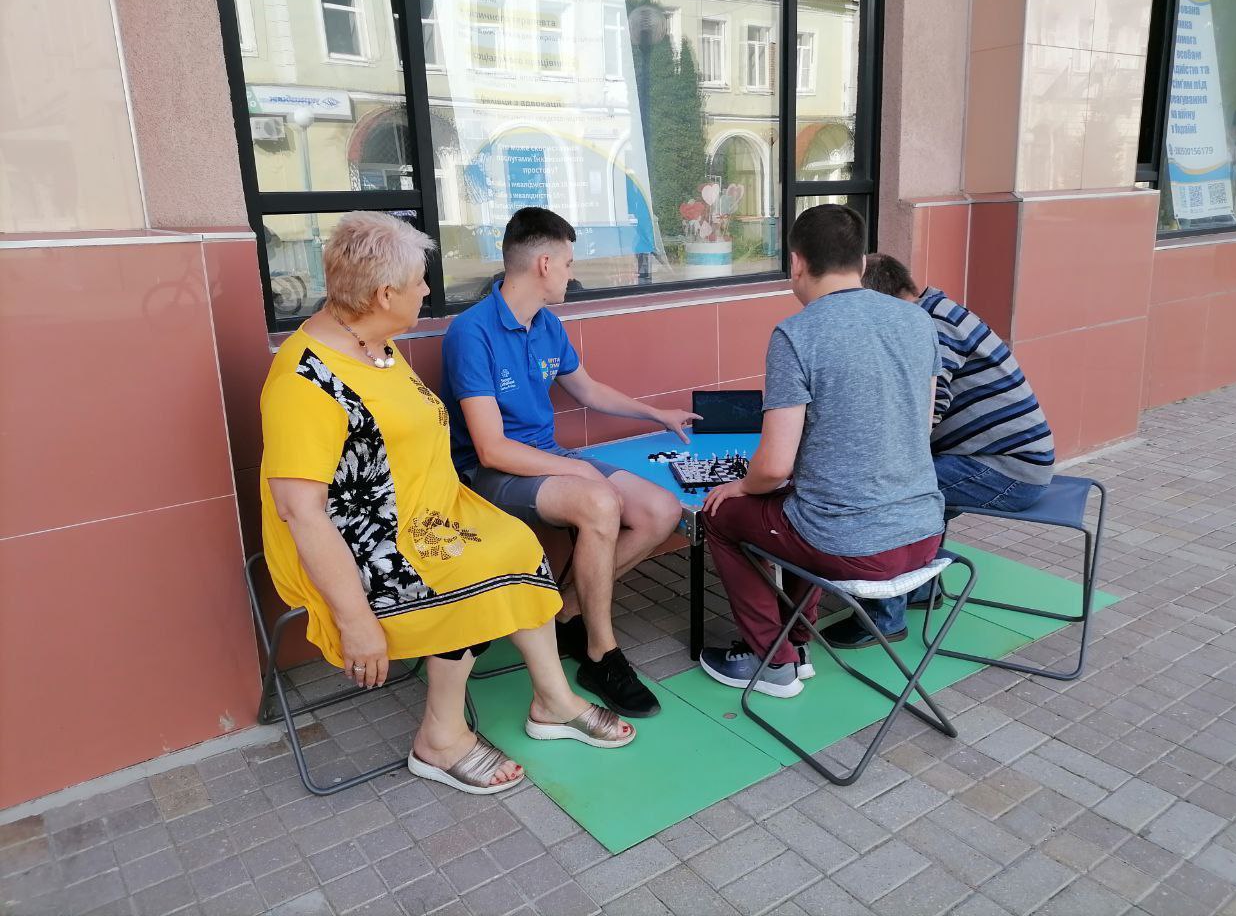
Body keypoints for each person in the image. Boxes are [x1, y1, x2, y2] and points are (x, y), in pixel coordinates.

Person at [260, 212, 635, 797]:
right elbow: (301, 513)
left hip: (430, 511)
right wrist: (357, 622)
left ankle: (554, 700)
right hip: (367, 537)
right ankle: (440, 737)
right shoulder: (305, 382)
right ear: (385, 294)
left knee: (516, 543)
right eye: (419, 282)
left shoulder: (375, 344)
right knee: (471, 571)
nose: (428, 291)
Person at [440, 207, 691, 719]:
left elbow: (588, 389)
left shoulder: (547, 325)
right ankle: (600, 651)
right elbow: (490, 449)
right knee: (600, 501)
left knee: (661, 511)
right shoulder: (472, 332)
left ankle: (558, 607)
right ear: (545, 263)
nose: (573, 273)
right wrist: (578, 470)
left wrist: (655, 412)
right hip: (492, 475)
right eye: (570, 262)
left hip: (550, 460)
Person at [697, 205, 946, 697]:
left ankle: (774, 661)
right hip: (924, 535)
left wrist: (738, 485)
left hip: (853, 547)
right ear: (860, 261)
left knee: (724, 516)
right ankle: (798, 641)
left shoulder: (798, 333)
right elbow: (919, 424)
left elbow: (771, 468)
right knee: (800, 507)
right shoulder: (917, 323)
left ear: (796, 263)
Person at [822, 252, 1055, 647]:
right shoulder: (937, 310)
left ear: (883, 301)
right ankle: (920, 588)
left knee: (891, 493)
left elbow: (927, 409)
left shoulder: (928, 325)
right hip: (1004, 461)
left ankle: (883, 618)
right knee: (915, 484)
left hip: (1007, 470)